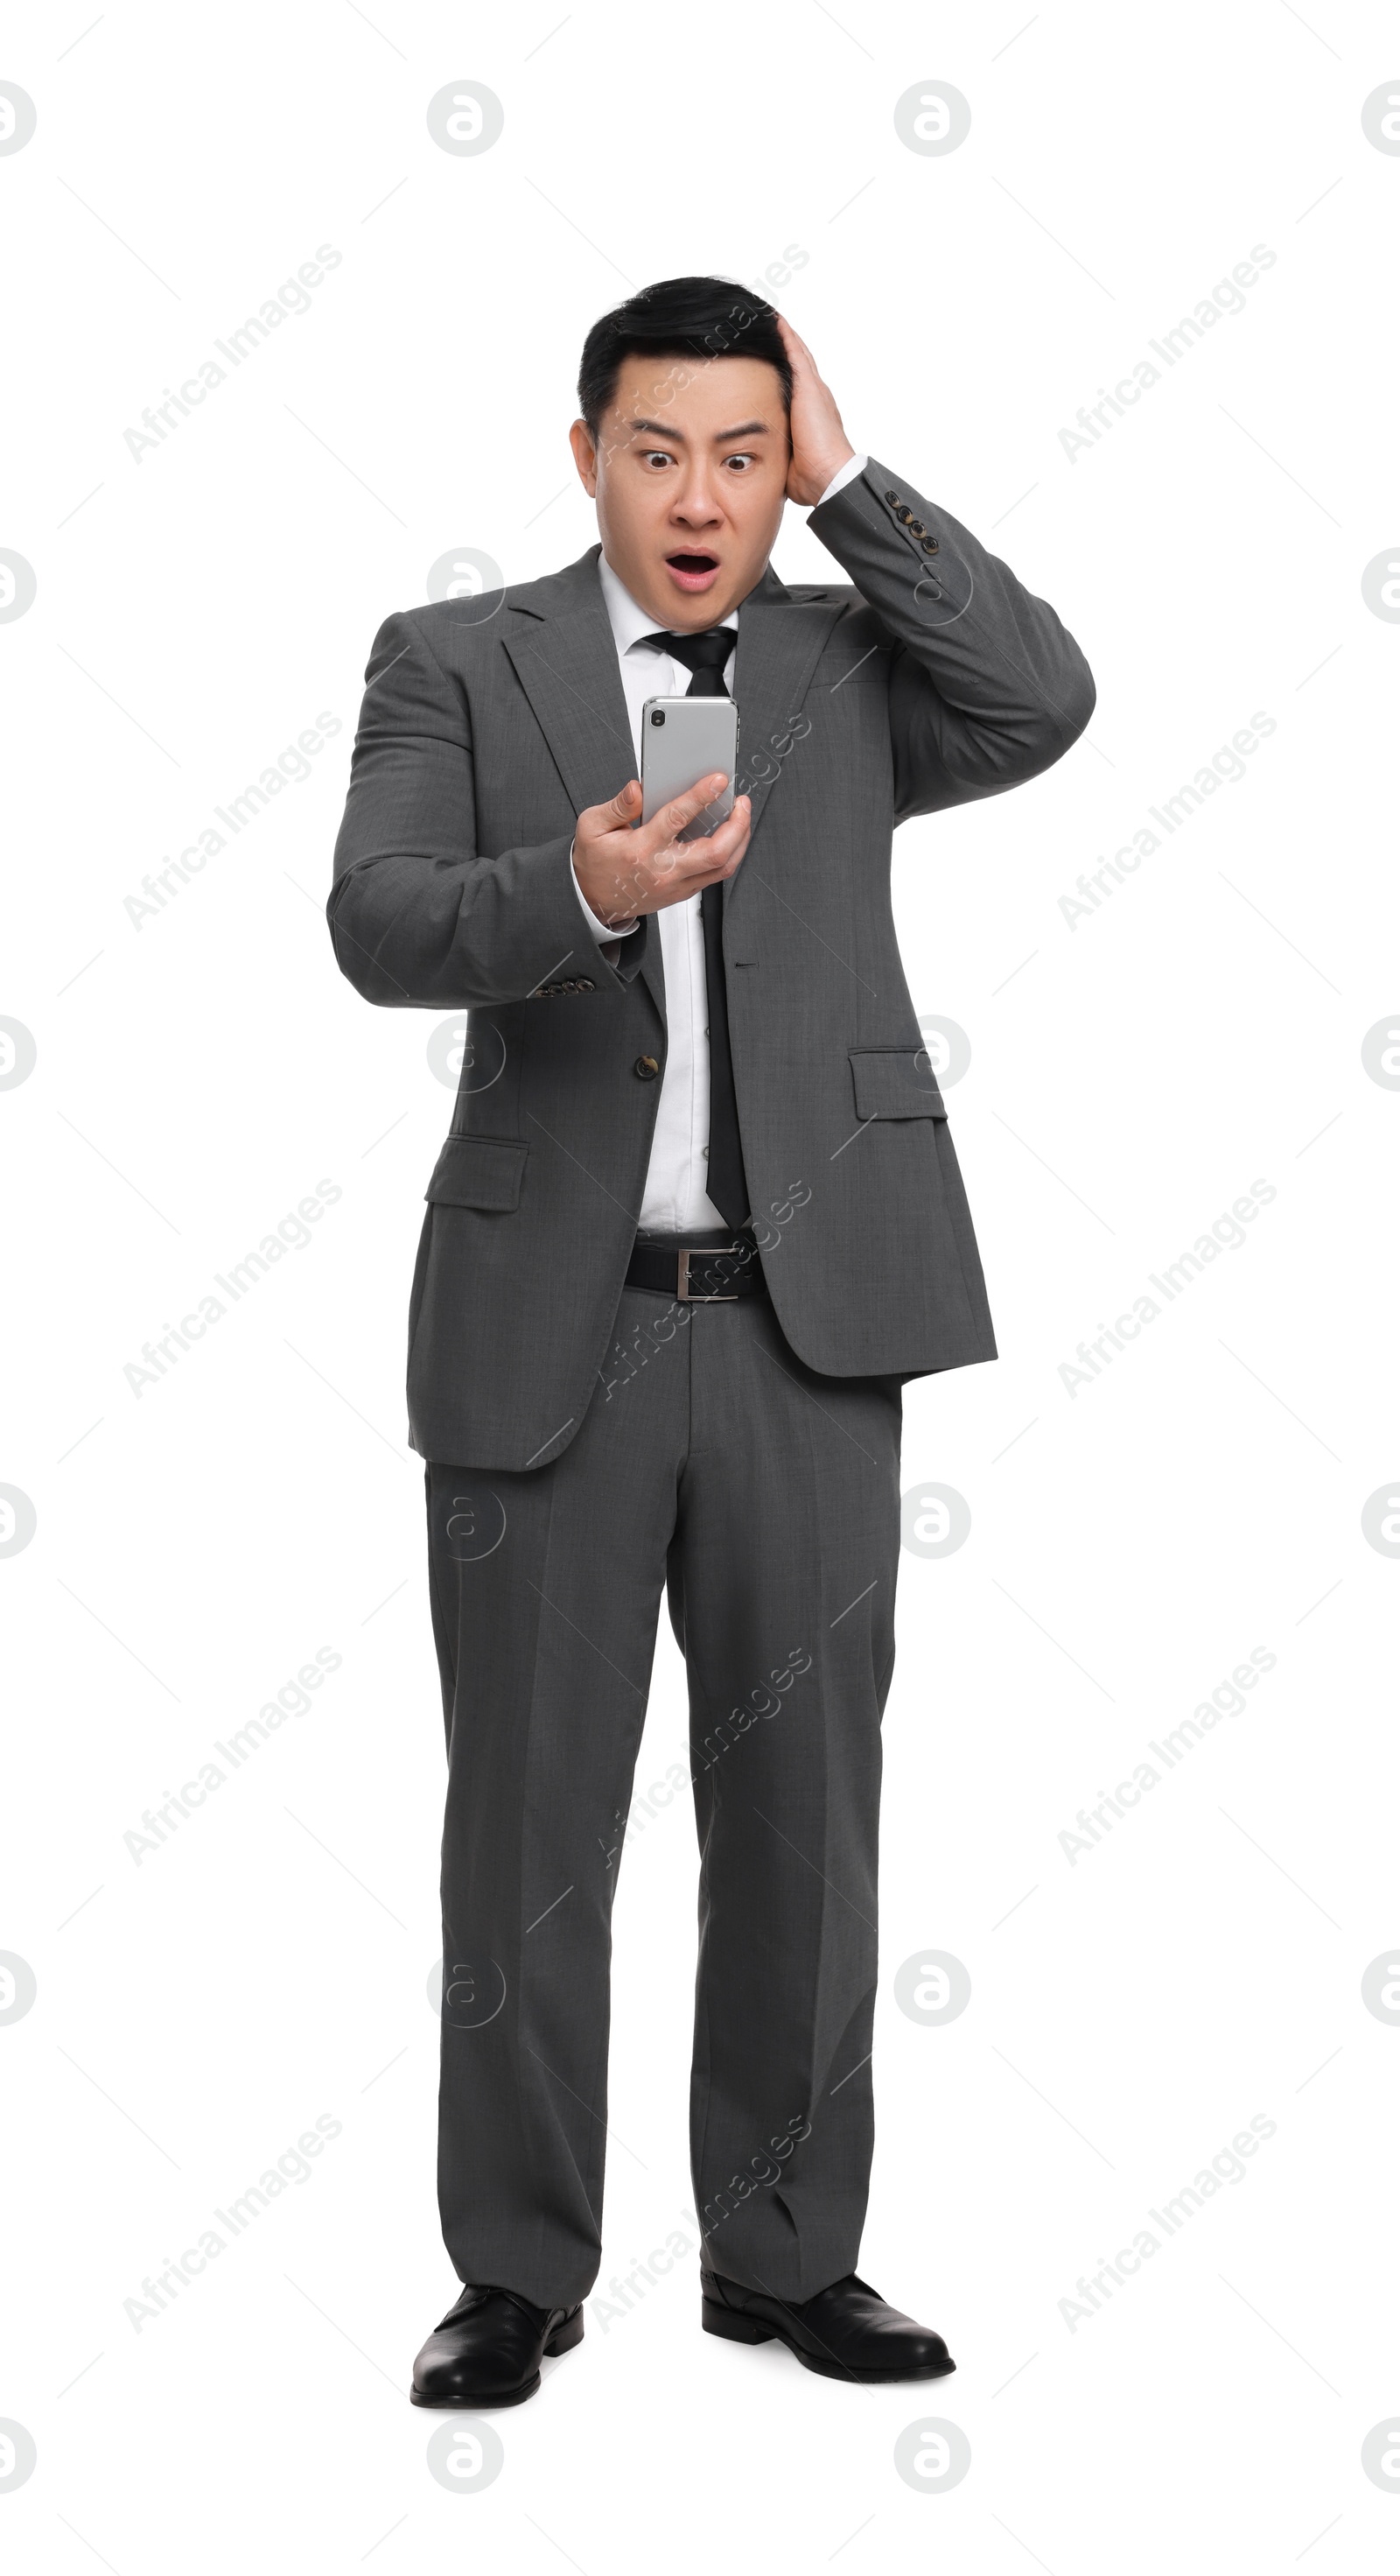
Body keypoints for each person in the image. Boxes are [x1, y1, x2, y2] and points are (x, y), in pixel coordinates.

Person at [328, 275, 1095, 2407]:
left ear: (785, 463)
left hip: (802, 1336)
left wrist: (858, 483)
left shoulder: (855, 668)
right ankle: (515, 2268)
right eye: (656, 451)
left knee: (803, 1818)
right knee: (530, 1829)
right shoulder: (454, 660)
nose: (697, 496)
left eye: (743, 454)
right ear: (583, 456)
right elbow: (375, 918)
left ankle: (782, 2253)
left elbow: (1041, 699)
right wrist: (563, 889)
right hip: (542, 1342)